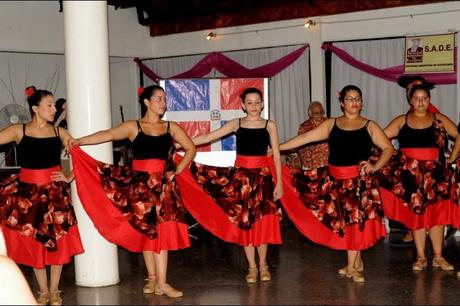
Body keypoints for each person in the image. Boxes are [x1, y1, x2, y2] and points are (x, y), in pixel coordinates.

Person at [69, 84, 195, 298]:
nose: (163, 103)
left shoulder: (170, 127)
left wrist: (176, 171)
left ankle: (162, 283)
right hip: (140, 186)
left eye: (164, 99)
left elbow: (190, 148)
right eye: (158, 99)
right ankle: (153, 278)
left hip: (164, 187)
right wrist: (80, 141)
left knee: (162, 234)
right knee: (146, 231)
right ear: (146, 102)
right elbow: (108, 134)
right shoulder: (133, 126)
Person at [278, 84, 393, 283]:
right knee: (345, 224)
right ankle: (357, 262)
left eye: (357, 98)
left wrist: (375, 166)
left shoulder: (369, 125)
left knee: (356, 223)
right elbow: (305, 138)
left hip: (359, 182)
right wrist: (278, 148)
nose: (354, 102)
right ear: (342, 103)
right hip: (335, 182)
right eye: (350, 99)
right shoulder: (332, 124)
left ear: (362, 102)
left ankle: (352, 267)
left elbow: (388, 148)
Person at [175, 87, 283, 283]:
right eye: (249, 103)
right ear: (243, 105)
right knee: (245, 224)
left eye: (257, 102)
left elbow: (276, 155)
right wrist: (181, 144)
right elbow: (209, 137)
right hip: (241, 179)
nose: (254, 106)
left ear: (262, 104)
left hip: (262, 179)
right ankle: (251, 267)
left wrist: (279, 183)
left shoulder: (270, 125)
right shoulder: (237, 123)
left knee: (262, 224)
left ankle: (263, 265)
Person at [0, 86, 84, 305]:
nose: (54, 109)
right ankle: (43, 291)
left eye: (55, 105)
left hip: (55, 194)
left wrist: (70, 176)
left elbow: (82, 156)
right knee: (35, 243)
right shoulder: (19, 130)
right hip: (29, 196)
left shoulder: (60, 133)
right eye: (49, 105)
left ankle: (55, 290)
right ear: (36, 108)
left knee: (58, 241)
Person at [378, 83, 458, 271]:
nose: (421, 101)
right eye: (417, 98)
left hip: (436, 174)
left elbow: (458, 134)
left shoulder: (439, 119)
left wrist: (453, 156)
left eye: (424, 98)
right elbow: (379, 137)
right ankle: (421, 257)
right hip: (410, 176)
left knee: (437, 216)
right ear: (411, 101)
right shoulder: (401, 120)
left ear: (429, 99)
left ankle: (438, 256)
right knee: (417, 216)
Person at [296, 101, 328, 170]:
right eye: (316, 113)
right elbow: (300, 146)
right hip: (311, 164)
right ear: (311, 114)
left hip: (328, 162)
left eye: (321, 112)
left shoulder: (328, 123)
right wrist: (308, 163)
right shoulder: (304, 127)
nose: (319, 114)